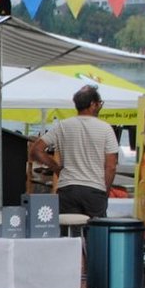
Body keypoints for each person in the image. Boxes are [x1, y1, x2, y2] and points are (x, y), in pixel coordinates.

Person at [28, 85, 118, 219]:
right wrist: (105, 190)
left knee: (69, 229)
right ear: (92, 104)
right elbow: (111, 166)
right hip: (94, 189)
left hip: (68, 188)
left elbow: (36, 150)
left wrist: (56, 168)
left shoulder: (63, 126)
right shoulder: (106, 129)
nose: (100, 106)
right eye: (99, 103)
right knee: (95, 230)